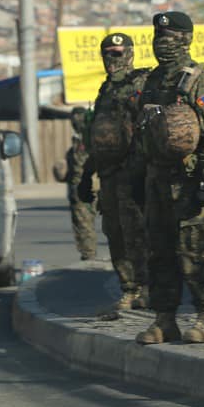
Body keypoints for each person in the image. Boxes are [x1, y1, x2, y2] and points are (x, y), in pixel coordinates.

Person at [132, 11, 204, 345]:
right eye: (158, 38)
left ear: (186, 39)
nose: (162, 44)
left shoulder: (200, 81)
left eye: (169, 38)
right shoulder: (152, 82)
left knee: (195, 253)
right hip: (157, 181)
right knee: (159, 252)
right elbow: (141, 132)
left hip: (189, 183)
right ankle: (164, 319)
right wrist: (136, 175)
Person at [79, 32, 151, 318]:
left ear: (130, 54)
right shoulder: (105, 90)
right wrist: (87, 175)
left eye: (118, 53)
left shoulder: (141, 85)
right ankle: (129, 289)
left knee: (139, 233)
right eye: (108, 53)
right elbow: (97, 136)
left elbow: (148, 130)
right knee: (116, 233)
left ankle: (147, 288)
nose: (112, 59)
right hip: (108, 175)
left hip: (133, 172)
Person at [63, 107, 98, 260]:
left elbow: (79, 166)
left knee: (84, 223)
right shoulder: (86, 138)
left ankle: (88, 254)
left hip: (83, 185)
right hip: (88, 184)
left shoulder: (84, 140)